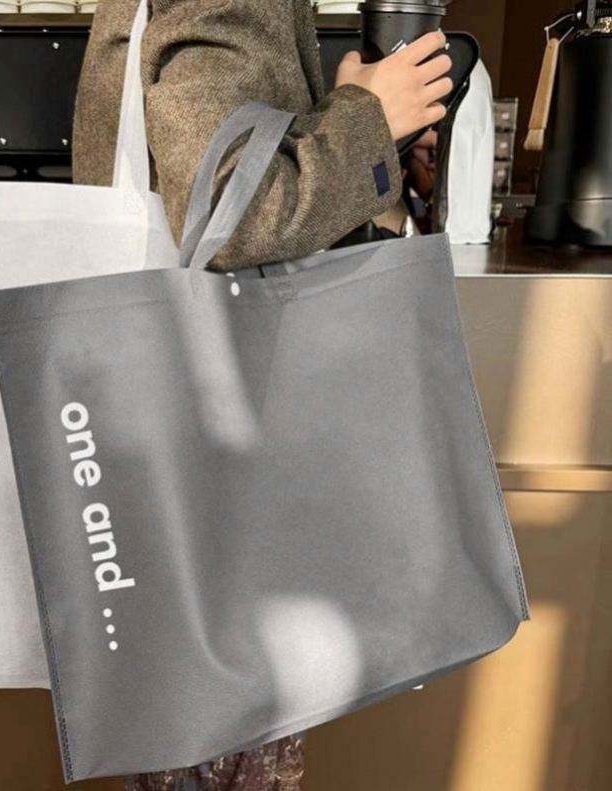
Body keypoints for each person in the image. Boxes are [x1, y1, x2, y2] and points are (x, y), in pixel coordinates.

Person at [72, 1, 452, 787]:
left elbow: (226, 170)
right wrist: (367, 121)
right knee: (213, 739)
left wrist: (350, 117)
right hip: (211, 451)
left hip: (179, 440)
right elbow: (230, 211)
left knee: (191, 730)